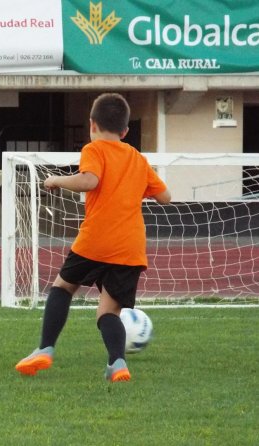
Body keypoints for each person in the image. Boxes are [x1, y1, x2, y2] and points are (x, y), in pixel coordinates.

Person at [14, 93, 171, 382]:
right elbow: (165, 197)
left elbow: (90, 180)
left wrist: (56, 180)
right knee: (108, 312)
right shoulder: (137, 158)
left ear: (92, 124)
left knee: (63, 288)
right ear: (125, 131)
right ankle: (117, 363)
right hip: (130, 247)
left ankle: (45, 349)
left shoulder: (94, 149)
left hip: (97, 240)